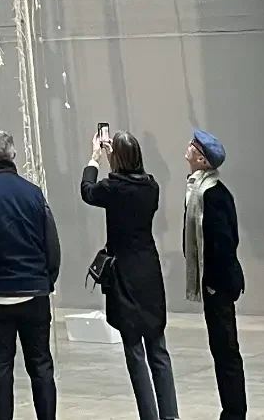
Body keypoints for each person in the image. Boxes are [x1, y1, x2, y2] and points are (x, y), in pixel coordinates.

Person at [81, 130, 178, 420]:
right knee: (158, 348)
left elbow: (87, 190)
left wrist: (94, 158)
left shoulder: (113, 188)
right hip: (149, 268)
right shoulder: (151, 186)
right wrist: (116, 160)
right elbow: (128, 179)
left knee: (135, 351)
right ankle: (170, 415)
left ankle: (149, 415)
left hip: (124, 272)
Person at [0, 131, 61, 420]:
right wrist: (47, 279)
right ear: (14, 156)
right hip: (34, 291)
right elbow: (52, 243)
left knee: (1, 368)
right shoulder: (34, 193)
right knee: (41, 365)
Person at [184, 129, 246, 420]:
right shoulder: (198, 190)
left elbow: (224, 242)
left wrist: (210, 282)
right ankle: (230, 409)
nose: (188, 147)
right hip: (213, 283)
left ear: (202, 159)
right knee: (220, 349)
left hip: (218, 284)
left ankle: (235, 412)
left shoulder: (212, 194)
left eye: (193, 146)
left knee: (226, 351)